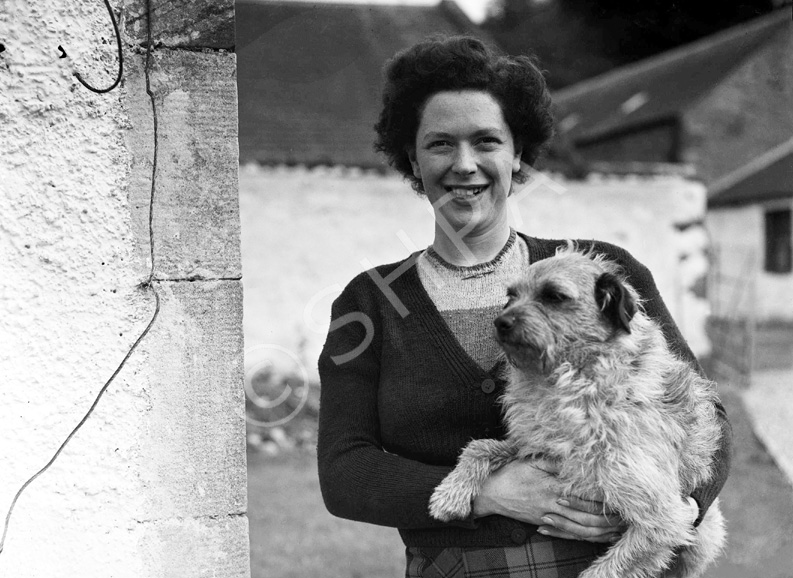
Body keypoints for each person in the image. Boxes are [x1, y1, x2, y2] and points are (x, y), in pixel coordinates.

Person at [317, 36, 731, 578]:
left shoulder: (603, 270)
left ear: (518, 156)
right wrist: (488, 492)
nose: (465, 164)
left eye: (487, 141)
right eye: (440, 144)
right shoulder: (368, 304)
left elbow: (707, 417)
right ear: (412, 160)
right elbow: (344, 471)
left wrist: (683, 508)